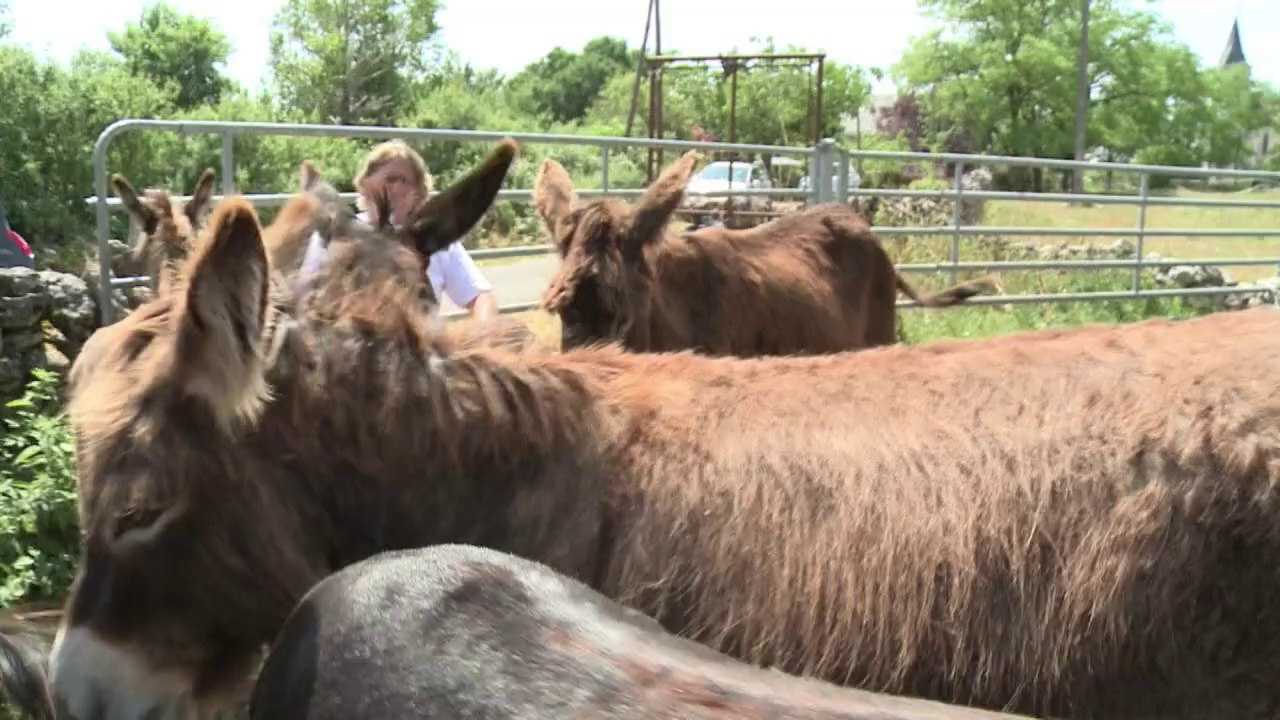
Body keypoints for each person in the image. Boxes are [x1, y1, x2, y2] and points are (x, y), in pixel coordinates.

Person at [296, 139, 499, 322]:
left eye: (405, 181)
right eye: (390, 179)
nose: (396, 188)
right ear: (365, 184)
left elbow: (481, 297)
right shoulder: (337, 236)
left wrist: (484, 332)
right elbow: (304, 299)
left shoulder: (437, 243)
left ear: (419, 193)